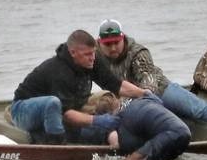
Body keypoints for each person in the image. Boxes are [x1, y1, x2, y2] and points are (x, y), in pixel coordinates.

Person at [95, 19, 207, 135]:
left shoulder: (138, 53)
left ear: (123, 38)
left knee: (201, 111)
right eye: (107, 44)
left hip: (161, 91)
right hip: (132, 102)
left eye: (116, 43)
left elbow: (148, 85)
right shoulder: (94, 57)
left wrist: (127, 105)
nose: (112, 48)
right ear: (99, 43)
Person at [10, 29, 146, 144]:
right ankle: (55, 144)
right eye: (87, 54)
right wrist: (98, 120)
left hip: (64, 110)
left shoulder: (91, 60)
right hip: (23, 110)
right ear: (73, 53)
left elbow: (116, 85)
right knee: (53, 104)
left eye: (93, 52)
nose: (92, 58)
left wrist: (144, 94)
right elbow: (67, 114)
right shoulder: (59, 71)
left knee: (106, 100)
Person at [81, 91, 192, 160]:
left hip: (173, 133)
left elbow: (115, 141)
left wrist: (133, 158)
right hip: (179, 134)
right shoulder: (143, 100)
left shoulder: (121, 121)